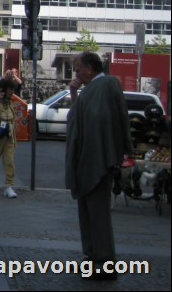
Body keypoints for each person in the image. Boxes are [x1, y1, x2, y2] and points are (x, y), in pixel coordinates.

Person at [65, 51, 131, 279]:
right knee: (87, 211)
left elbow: (107, 122)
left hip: (100, 160)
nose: (76, 73)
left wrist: (113, 155)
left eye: (78, 69)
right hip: (88, 159)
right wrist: (74, 93)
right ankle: (92, 257)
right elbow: (77, 120)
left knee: (98, 213)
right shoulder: (90, 91)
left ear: (90, 69)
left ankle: (104, 262)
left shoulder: (106, 86)